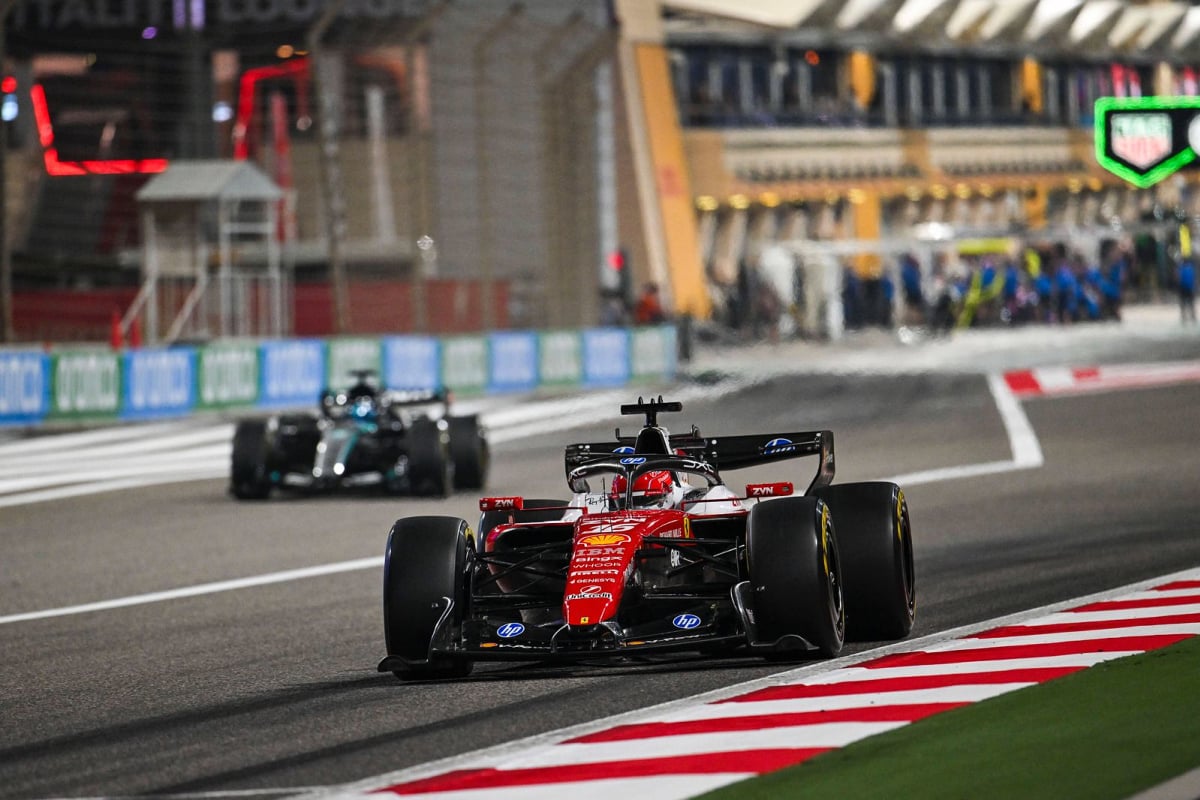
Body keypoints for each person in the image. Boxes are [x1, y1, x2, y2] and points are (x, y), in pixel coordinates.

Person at [1180, 258, 1196, 324]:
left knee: (1183, 303)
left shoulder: (1182, 269)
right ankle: (1193, 316)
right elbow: (1193, 279)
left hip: (1183, 289)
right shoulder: (1191, 269)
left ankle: (1184, 317)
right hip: (1190, 288)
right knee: (1191, 303)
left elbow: (1180, 279)